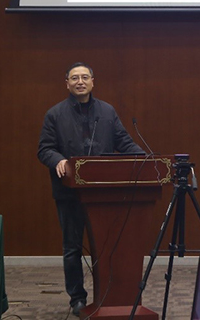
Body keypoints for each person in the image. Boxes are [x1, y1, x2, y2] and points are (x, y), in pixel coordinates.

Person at [37, 62, 145, 316]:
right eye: (75, 78)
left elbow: (124, 143)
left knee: (107, 247)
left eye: (85, 77)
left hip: (104, 196)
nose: (80, 82)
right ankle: (77, 298)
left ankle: (108, 294)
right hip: (69, 193)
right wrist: (58, 160)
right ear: (67, 83)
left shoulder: (107, 111)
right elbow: (44, 149)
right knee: (72, 248)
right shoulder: (55, 114)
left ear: (93, 82)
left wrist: (147, 159)